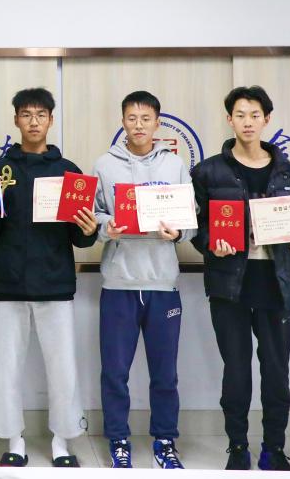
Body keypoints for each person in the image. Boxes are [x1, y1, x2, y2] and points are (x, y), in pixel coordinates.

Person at [190, 86, 290, 472]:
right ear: (229, 119)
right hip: (229, 283)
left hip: (274, 281)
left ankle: (273, 448)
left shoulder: (287, 171)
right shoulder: (208, 171)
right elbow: (194, 226)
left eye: (254, 115)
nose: (247, 122)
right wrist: (210, 244)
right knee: (236, 371)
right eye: (240, 115)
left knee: (276, 372)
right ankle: (237, 447)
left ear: (267, 119)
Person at [0, 87, 98, 468]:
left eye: (41, 115)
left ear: (51, 120)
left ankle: (62, 440)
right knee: (6, 367)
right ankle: (14, 441)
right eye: (26, 114)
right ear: (16, 120)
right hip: (8, 283)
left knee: (62, 368)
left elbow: (79, 236)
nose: (33, 121)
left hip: (55, 283)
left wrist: (89, 229)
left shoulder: (69, 171)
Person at [92, 91, 193, 469]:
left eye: (145, 118)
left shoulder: (174, 165)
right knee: (114, 373)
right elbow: (93, 215)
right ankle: (118, 440)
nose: (138, 125)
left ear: (157, 123)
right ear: (123, 122)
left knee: (165, 374)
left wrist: (178, 233)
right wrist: (107, 227)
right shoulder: (105, 164)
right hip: (118, 283)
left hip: (162, 284)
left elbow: (191, 219)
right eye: (132, 118)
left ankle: (165, 441)